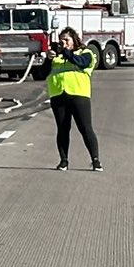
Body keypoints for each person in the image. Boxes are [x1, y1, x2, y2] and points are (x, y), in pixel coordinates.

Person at [45, 26, 101, 172]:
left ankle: (95, 160)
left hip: (79, 95)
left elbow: (82, 62)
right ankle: (63, 161)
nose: (63, 43)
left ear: (74, 40)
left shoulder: (86, 52)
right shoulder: (57, 57)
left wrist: (66, 52)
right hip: (58, 95)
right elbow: (44, 73)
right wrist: (47, 58)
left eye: (66, 40)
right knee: (63, 129)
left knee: (85, 128)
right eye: (61, 40)